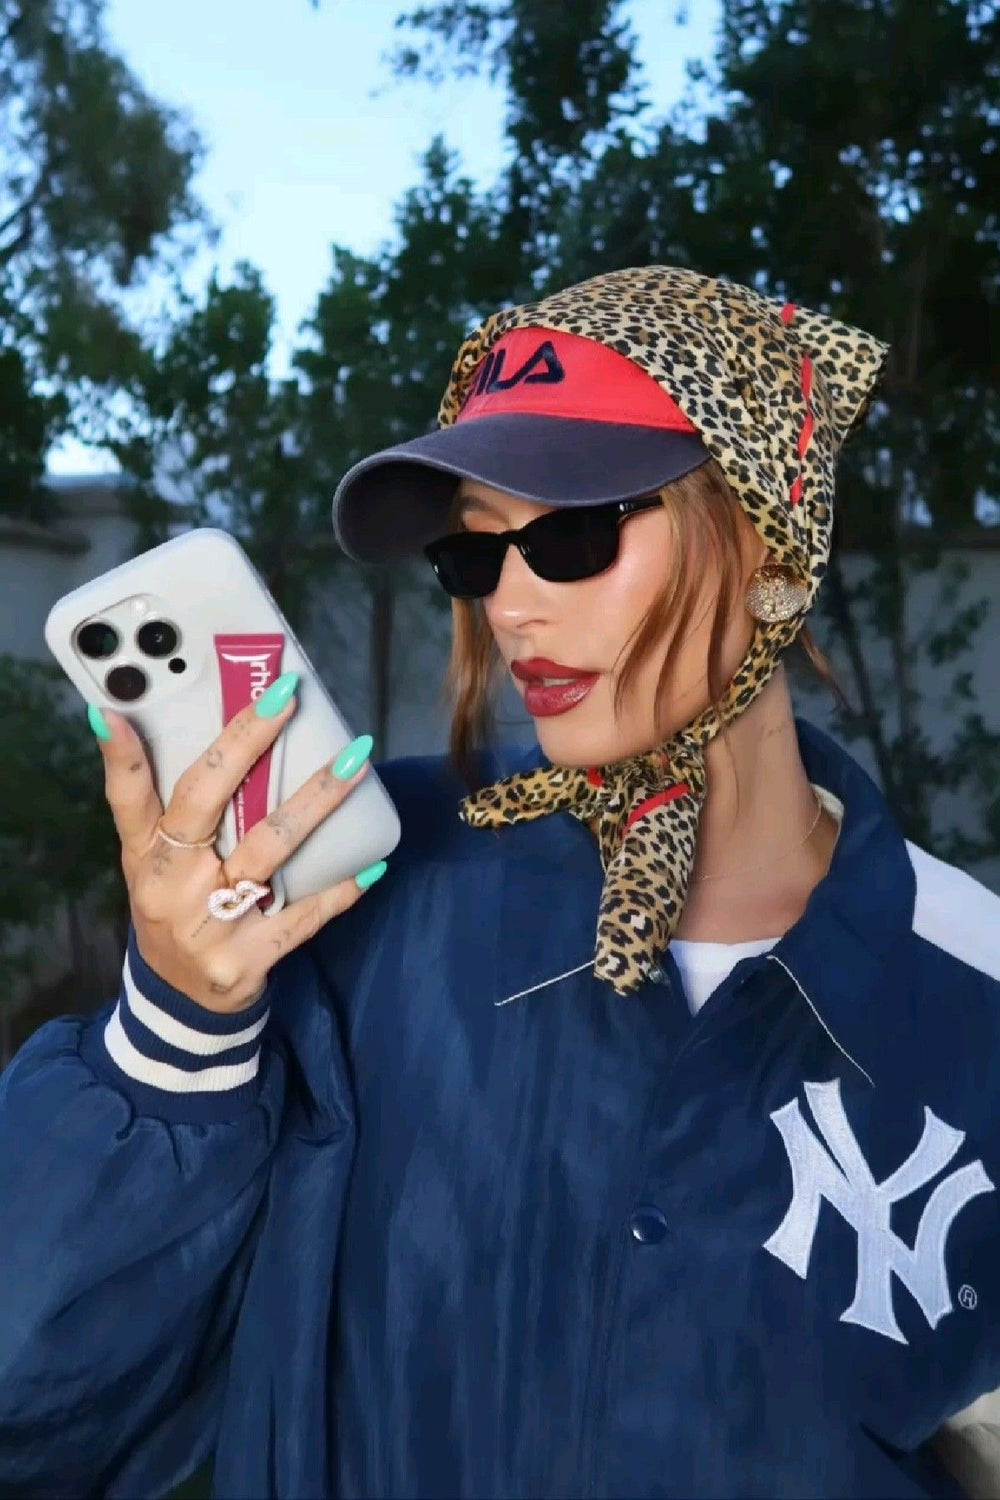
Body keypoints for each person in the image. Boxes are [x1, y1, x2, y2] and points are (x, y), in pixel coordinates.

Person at [2, 265, 999, 1500]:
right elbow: (35, 1406)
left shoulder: (971, 996)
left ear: (766, 536)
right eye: (474, 554)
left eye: (572, 534)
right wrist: (175, 1031)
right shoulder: (356, 901)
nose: (513, 606)